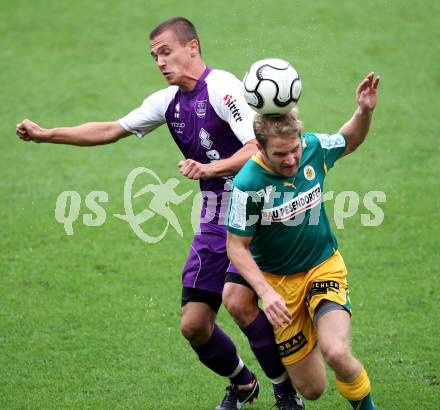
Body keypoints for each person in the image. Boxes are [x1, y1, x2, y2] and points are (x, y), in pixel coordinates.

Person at [16, 17, 304, 410]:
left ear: (193, 47)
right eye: (154, 56)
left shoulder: (223, 88)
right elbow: (110, 130)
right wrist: (48, 135)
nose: (160, 62)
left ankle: (285, 392)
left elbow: (256, 148)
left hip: (255, 212)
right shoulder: (166, 102)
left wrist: (209, 169)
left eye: (166, 52)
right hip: (214, 218)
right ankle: (241, 384)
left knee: (238, 304)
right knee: (194, 325)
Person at [226, 72, 380, 409]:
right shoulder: (248, 183)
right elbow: (236, 247)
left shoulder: (312, 148)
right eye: (280, 154)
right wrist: (266, 293)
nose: (292, 159)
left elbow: (348, 140)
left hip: (323, 267)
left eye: (294, 149)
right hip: (281, 287)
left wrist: (363, 111)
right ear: (261, 150)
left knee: (337, 351)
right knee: (312, 389)